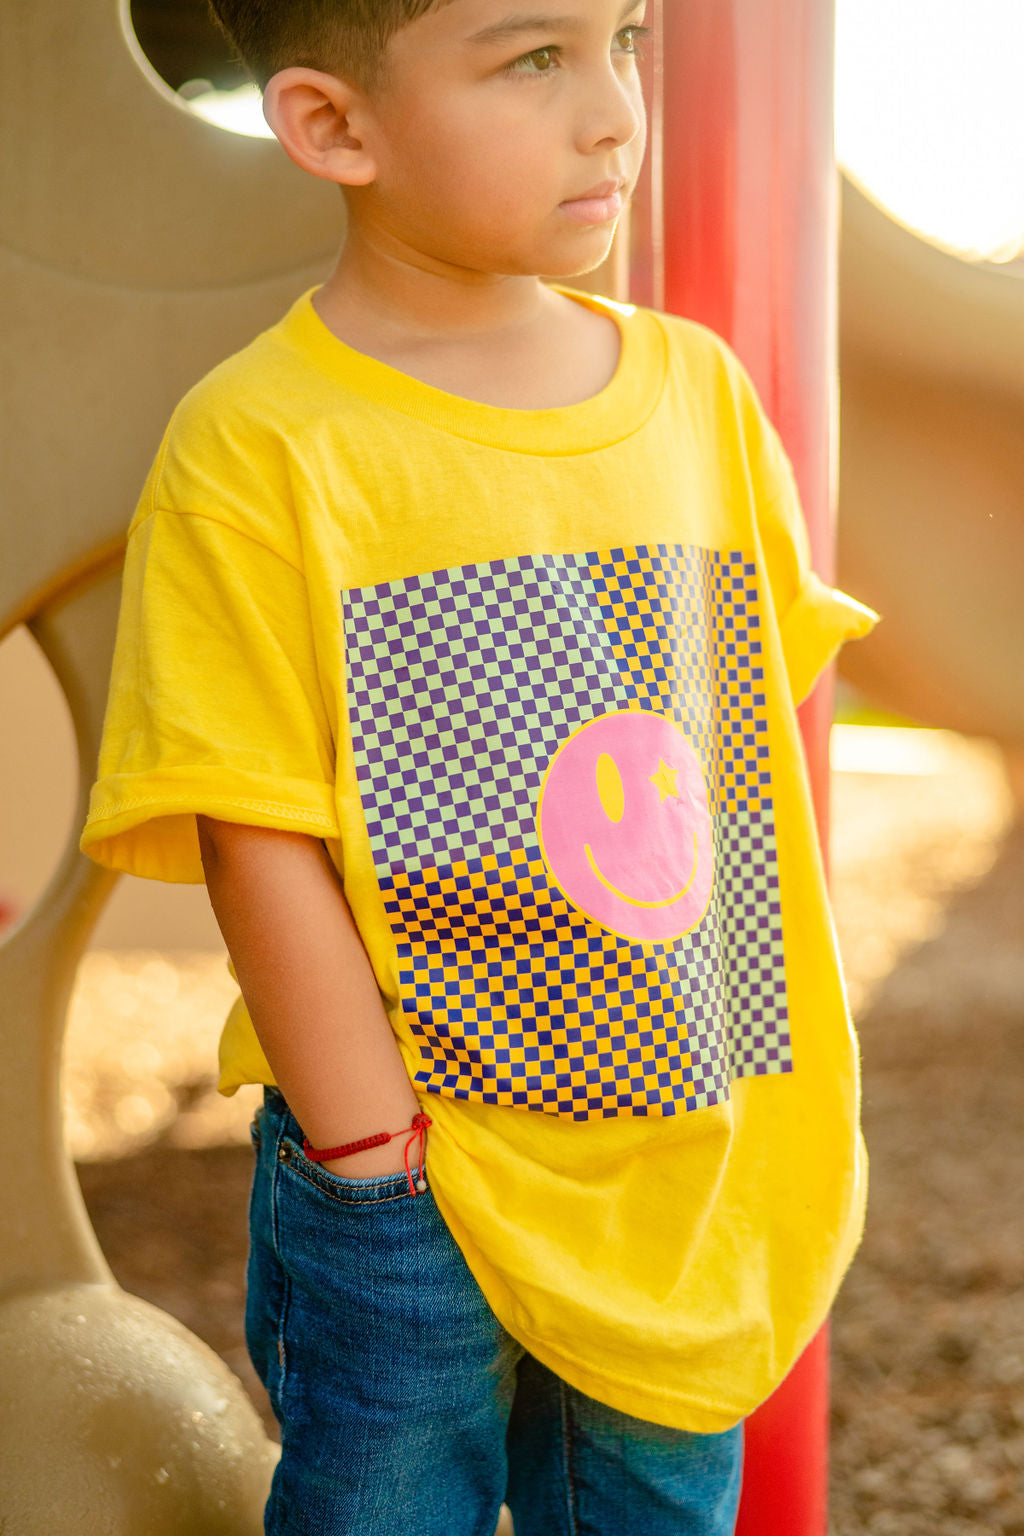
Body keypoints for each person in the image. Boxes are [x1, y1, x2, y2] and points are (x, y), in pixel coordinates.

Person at [81, 1, 877, 1531]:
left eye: (625, 42)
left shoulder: (698, 393)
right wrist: (375, 1157)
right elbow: (259, 834)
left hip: (680, 1151)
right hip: (412, 1173)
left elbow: (734, 762)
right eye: (534, 59)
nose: (613, 113)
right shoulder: (263, 444)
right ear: (334, 129)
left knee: (652, 1506)